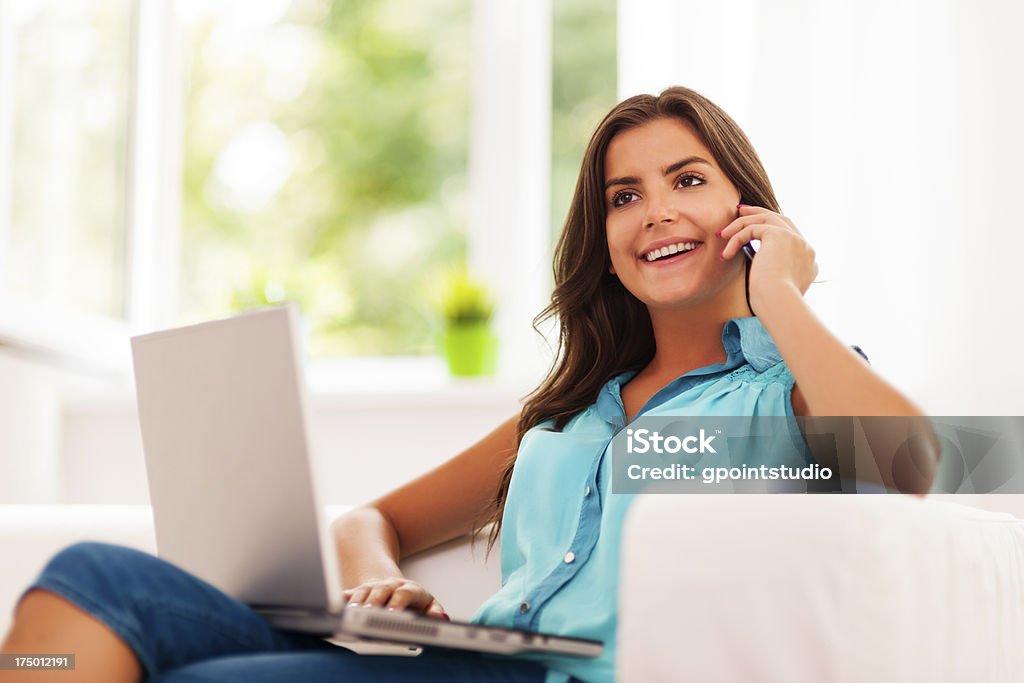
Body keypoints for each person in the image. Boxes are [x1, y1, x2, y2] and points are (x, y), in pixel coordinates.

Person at [0, 86, 937, 683]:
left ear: (746, 207)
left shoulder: (779, 394)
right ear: (604, 244)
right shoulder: (572, 410)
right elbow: (370, 520)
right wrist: (378, 589)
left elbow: (909, 462)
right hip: (457, 662)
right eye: (623, 196)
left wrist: (777, 290)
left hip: (567, 677)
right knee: (91, 580)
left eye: (687, 179)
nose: (655, 213)